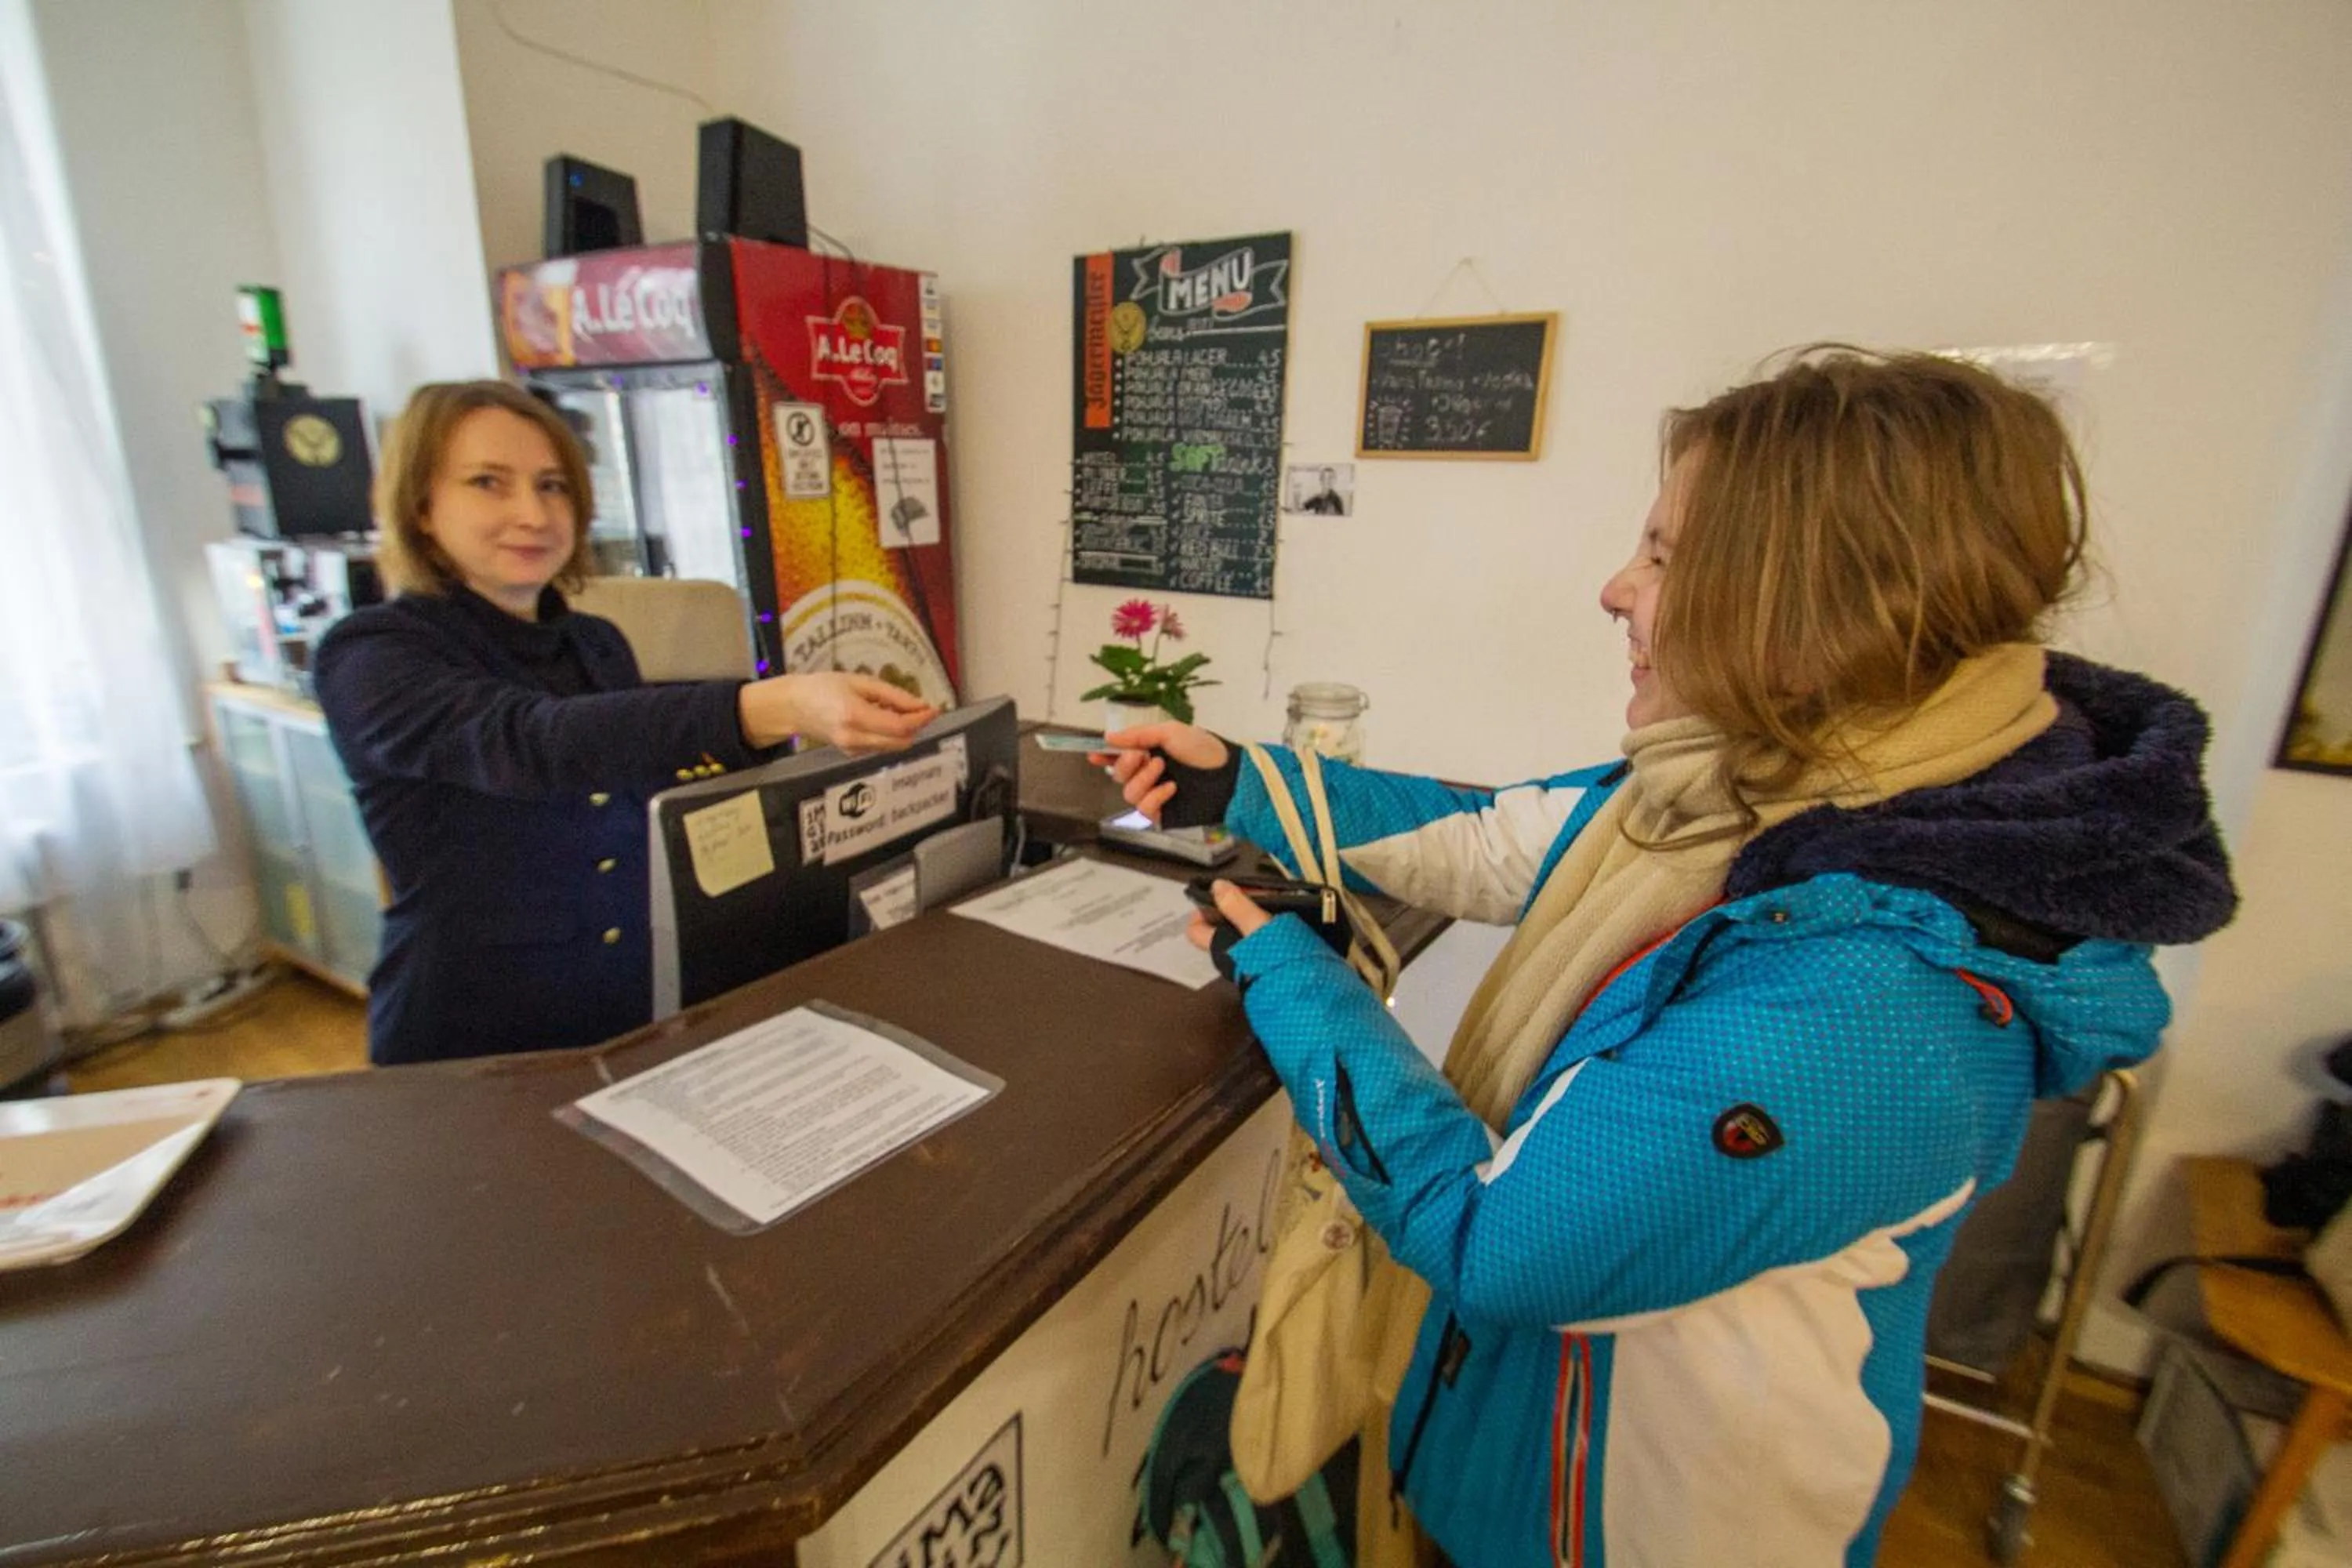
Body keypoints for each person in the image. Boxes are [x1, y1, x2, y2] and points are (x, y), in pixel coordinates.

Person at [1106, 347, 2237, 1566]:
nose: (1614, 588)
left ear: (1810, 610)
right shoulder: (1762, 779)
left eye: (1665, 555)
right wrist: (1246, 782)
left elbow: (1501, 1241)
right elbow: (1503, 839)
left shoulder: (1865, 1000)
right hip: (1517, 1450)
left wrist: (1295, 980)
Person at [315, 380, 936, 1067]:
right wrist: (770, 705)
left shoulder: (596, 644)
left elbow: (651, 791)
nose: (532, 513)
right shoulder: (370, 654)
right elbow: (531, 742)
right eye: (488, 483)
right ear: (421, 506)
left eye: (552, 486)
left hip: (629, 1016)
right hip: (473, 1041)